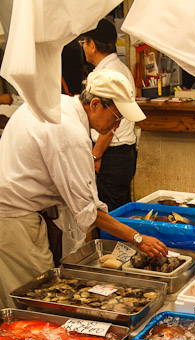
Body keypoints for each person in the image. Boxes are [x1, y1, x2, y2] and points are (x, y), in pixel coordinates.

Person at [0, 68, 167, 309]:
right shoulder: (68, 132)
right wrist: (137, 238)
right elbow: (89, 211)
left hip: (18, 213)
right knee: (34, 299)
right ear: (96, 103)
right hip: (14, 221)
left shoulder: (56, 103)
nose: (117, 126)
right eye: (116, 117)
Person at [80, 18, 138, 211]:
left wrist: (95, 157)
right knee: (118, 210)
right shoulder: (119, 68)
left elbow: (108, 123)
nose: (84, 48)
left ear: (92, 45)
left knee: (108, 212)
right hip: (122, 153)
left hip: (112, 154)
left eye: (84, 43)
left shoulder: (106, 75)